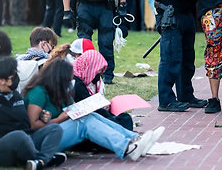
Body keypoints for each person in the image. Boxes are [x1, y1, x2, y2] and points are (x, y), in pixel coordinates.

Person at [22, 59, 163, 161]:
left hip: (56, 131)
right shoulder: (39, 92)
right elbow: (34, 125)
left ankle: (133, 139)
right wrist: (59, 119)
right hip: (43, 141)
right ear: (58, 79)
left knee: (90, 116)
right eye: (68, 81)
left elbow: (71, 109)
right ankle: (126, 147)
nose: (70, 84)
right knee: (83, 123)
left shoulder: (59, 92)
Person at [0, 57, 65, 170]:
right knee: (19, 136)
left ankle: (40, 160)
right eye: (12, 74)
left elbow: (24, 121)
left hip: (25, 139)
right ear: (1, 80)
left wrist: (42, 117)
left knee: (55, 129)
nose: (16, 77)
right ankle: (44, 158)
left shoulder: (15, 96)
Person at [72, 50, 133, 130]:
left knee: (124, 118)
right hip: (84, 118)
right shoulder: (76, 82)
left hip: (91, 114)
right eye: (97, 72)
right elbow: (88, 105)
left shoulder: (83, 77)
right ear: (90, 67)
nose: (98, 75)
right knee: (124, 120)